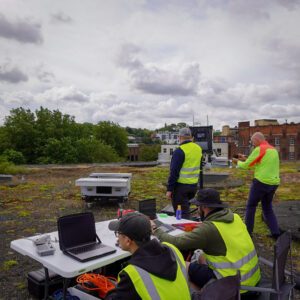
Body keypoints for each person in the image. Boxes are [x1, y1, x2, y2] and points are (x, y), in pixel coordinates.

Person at [151, 188, 261, 295]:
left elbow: (178, 242)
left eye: (197, 206)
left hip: (235, 289)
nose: (197, 210)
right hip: (251, 281)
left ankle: (201, 296)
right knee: (200, 256)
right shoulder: (235, 217)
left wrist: (156, 230)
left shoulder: (209, 229)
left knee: (183, 265)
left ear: (204, 207)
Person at [106, 212, 191, 300]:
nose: (117, 238)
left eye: (118, 233)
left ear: (128, 241)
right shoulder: (173, 250)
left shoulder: (132, 274)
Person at [232, 132, 281, 239]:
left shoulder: (259, 149)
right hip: (274, 183)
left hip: (261, 182)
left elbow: (246, 166)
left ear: (257, 140)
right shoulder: (273, 150)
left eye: (252, 141)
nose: (252, 144)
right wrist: (244, 158)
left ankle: (248, 232)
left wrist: (237, 162)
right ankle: (276, 233)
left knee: (251, 206)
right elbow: (258, 162)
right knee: (267, 208)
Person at [166, 127, 202, 219]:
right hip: (193, 186)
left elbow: (174, 172)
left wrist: (169, 189)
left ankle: (185, 232)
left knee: (182, 215)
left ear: (179, 137)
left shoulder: (179, 151)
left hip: (181, 188)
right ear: (191, 137)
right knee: (185, 210)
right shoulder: (198, 149)